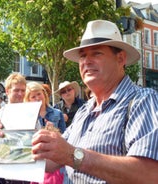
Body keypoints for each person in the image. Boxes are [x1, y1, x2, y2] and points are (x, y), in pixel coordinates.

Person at [31, 20, 158, 183]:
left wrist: (73, 155)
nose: (86, 61)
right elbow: (52, 160)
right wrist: (12, 140)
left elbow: (150, 174)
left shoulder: (142, 101)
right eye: (82, 56)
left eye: (96, 53)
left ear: (120, 59)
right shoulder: (84, 111)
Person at [0, 73, 29, 184]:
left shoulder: (31, 111)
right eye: (16, 90)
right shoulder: (2, 113)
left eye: (23, 90)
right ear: (7, 91)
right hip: (8, 170)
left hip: (28, 168)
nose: (20, 94)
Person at [24, 82, 65, 184]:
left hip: (54, 161)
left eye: (39, 94)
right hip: (35, 160)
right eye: (33, 96)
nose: (37, 98)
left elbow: (65, 139)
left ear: (44, 94)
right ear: (28, 100)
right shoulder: (27, 117)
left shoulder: (57, 113)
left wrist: (54, 132)